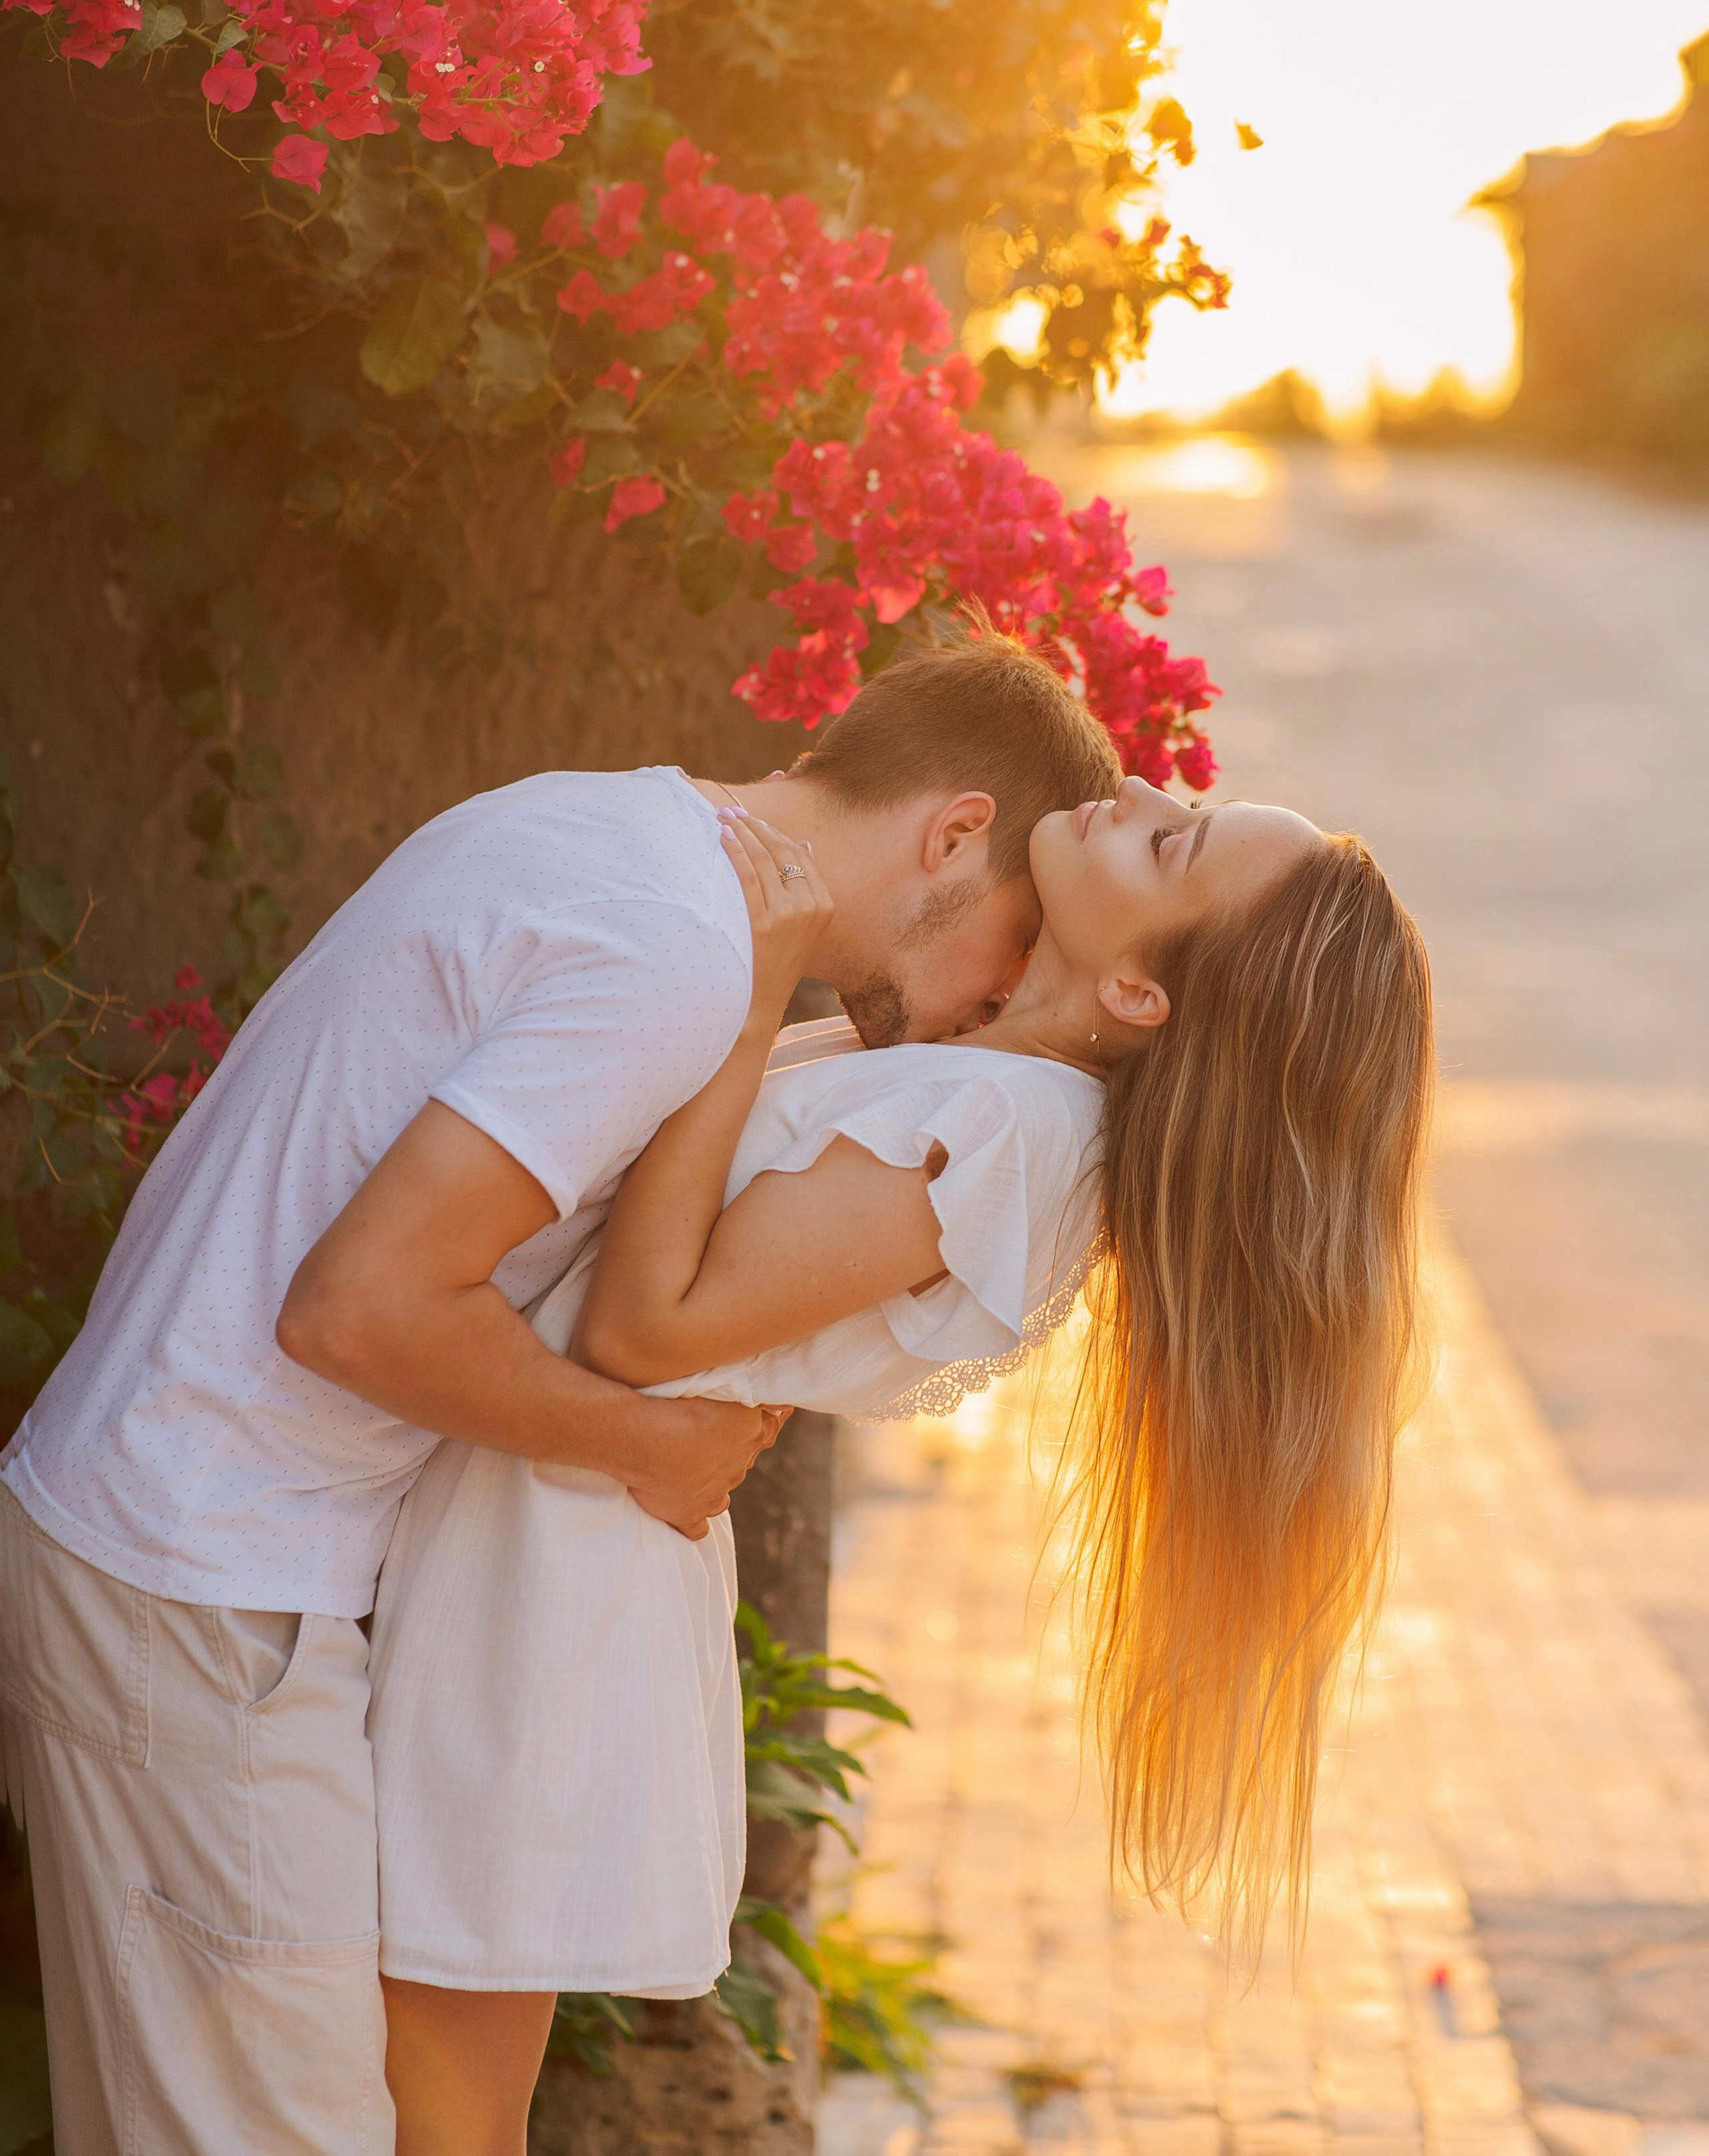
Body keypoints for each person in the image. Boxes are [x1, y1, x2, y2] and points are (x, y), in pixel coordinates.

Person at [0, 634, 1122, 2156]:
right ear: (949, 835)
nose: (985, 1004)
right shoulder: (673, 944)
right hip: (201, 1573)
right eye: (1007, 943)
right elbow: (360, 1308)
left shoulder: (606, 824)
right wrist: (650, 1443)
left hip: (200, 1554)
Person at [365, 779, 1434, 2155]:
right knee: (386, 2081)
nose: (1144, 792)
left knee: (437, 2109)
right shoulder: (985, 1082)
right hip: (529, 1520)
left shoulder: (1009, 1140)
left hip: (543, 1585)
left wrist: (751, 1003)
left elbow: (643, 1327)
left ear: (1138, 996)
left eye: (1170, 843)